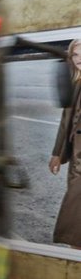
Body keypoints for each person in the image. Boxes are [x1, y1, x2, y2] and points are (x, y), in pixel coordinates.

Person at [49, 39, 81, 247]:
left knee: (75, 205)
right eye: (75, 55)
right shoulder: (75, 82)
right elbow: (65, 121)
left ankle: (75, 248)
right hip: (75, 153)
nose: (79, 59)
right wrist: (57, 153)